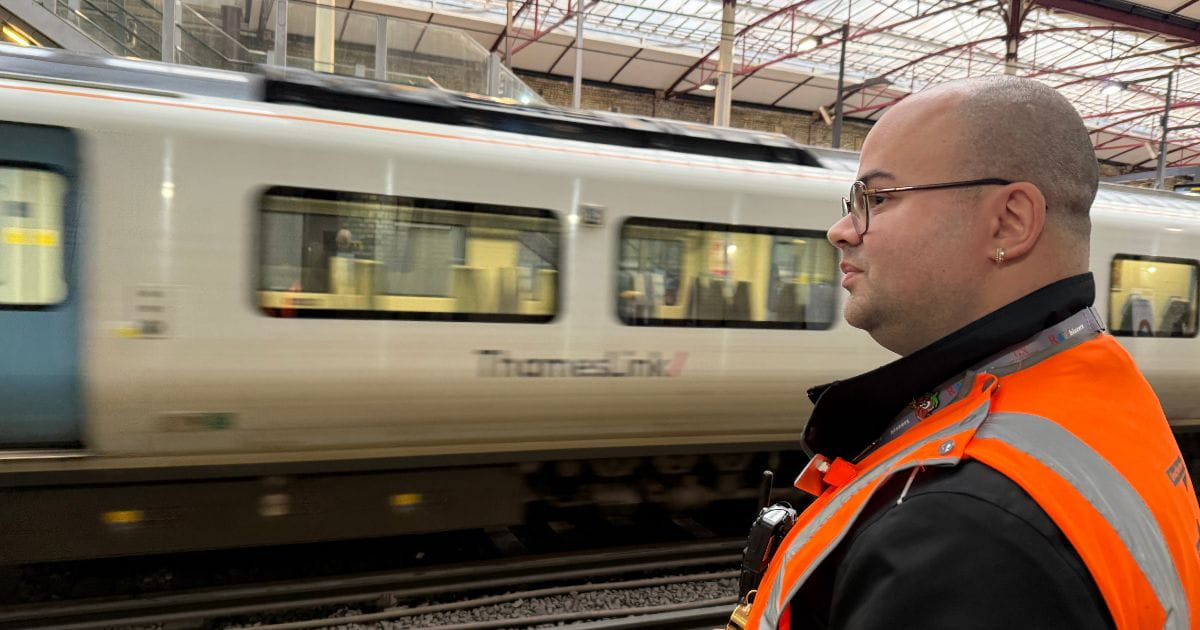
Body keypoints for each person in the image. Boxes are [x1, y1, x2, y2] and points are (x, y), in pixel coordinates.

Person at [737, 75, 1200, 630]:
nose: (841, 230)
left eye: (877, 199)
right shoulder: (1098, 390)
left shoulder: (959, 530)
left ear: (1009, 222)